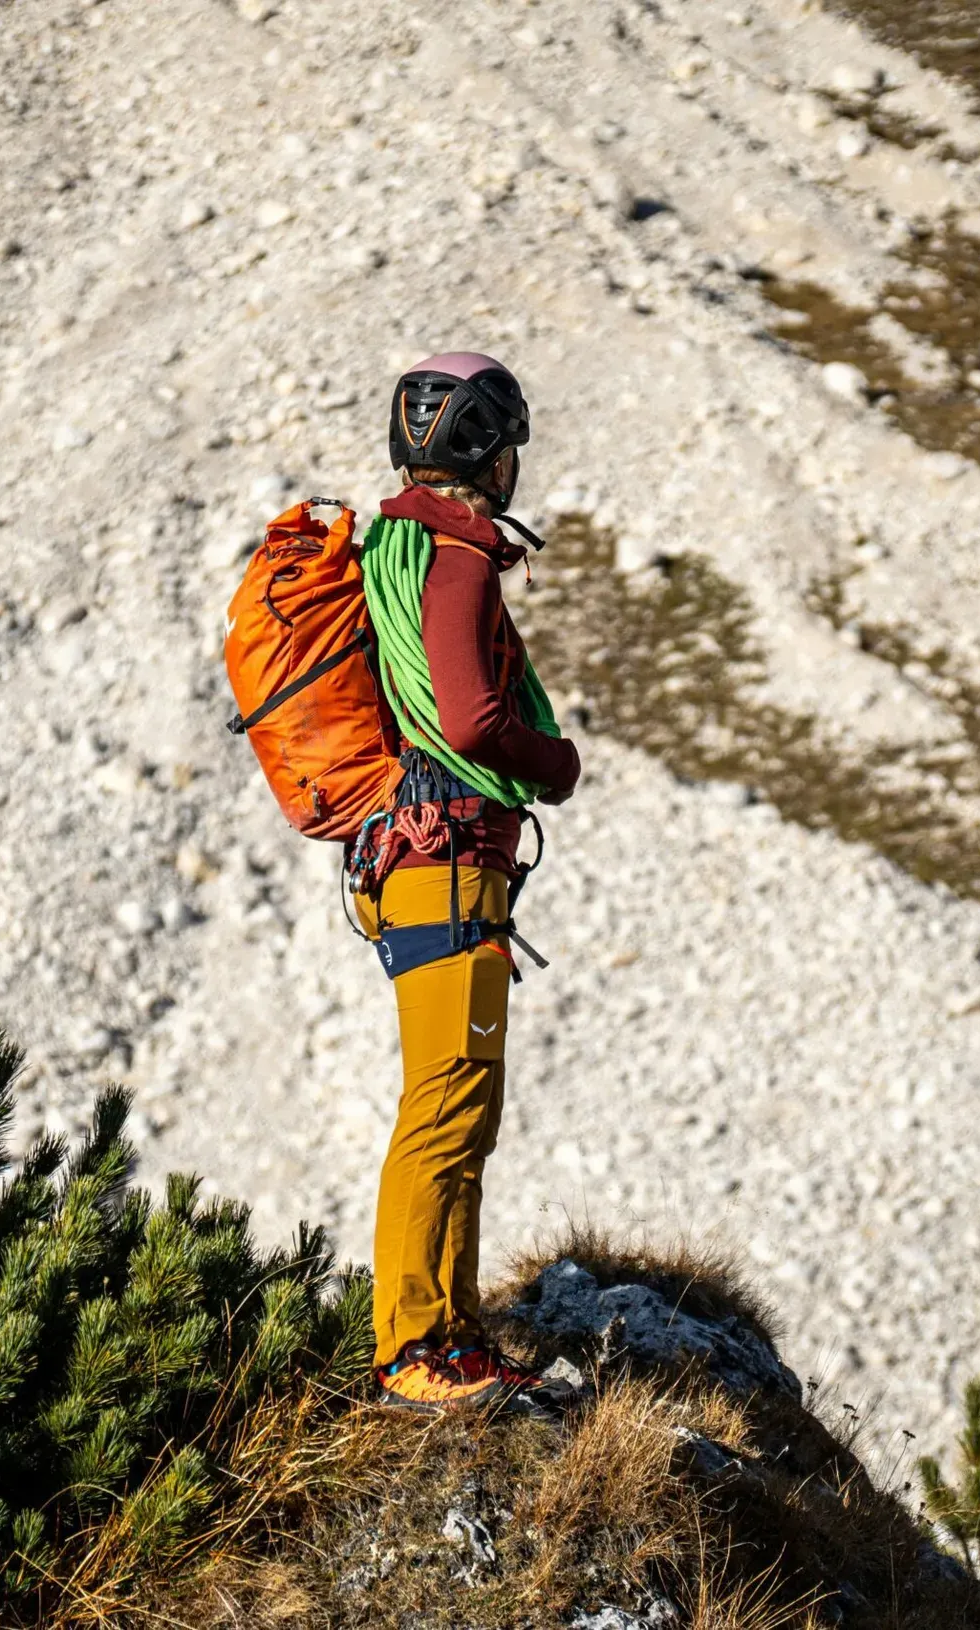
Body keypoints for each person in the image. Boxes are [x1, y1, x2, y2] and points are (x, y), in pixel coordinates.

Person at [351, 353, 581, 1413]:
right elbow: (470, 718)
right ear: (484, 454)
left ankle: (449, 1330)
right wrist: (554, 761)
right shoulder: (452, 559)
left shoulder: (390, 544)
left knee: (458, 1104)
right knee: (444, 1106)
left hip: (418, 855)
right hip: (446, 856)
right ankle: (412, 1346)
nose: (514, 469)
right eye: (509, 450)